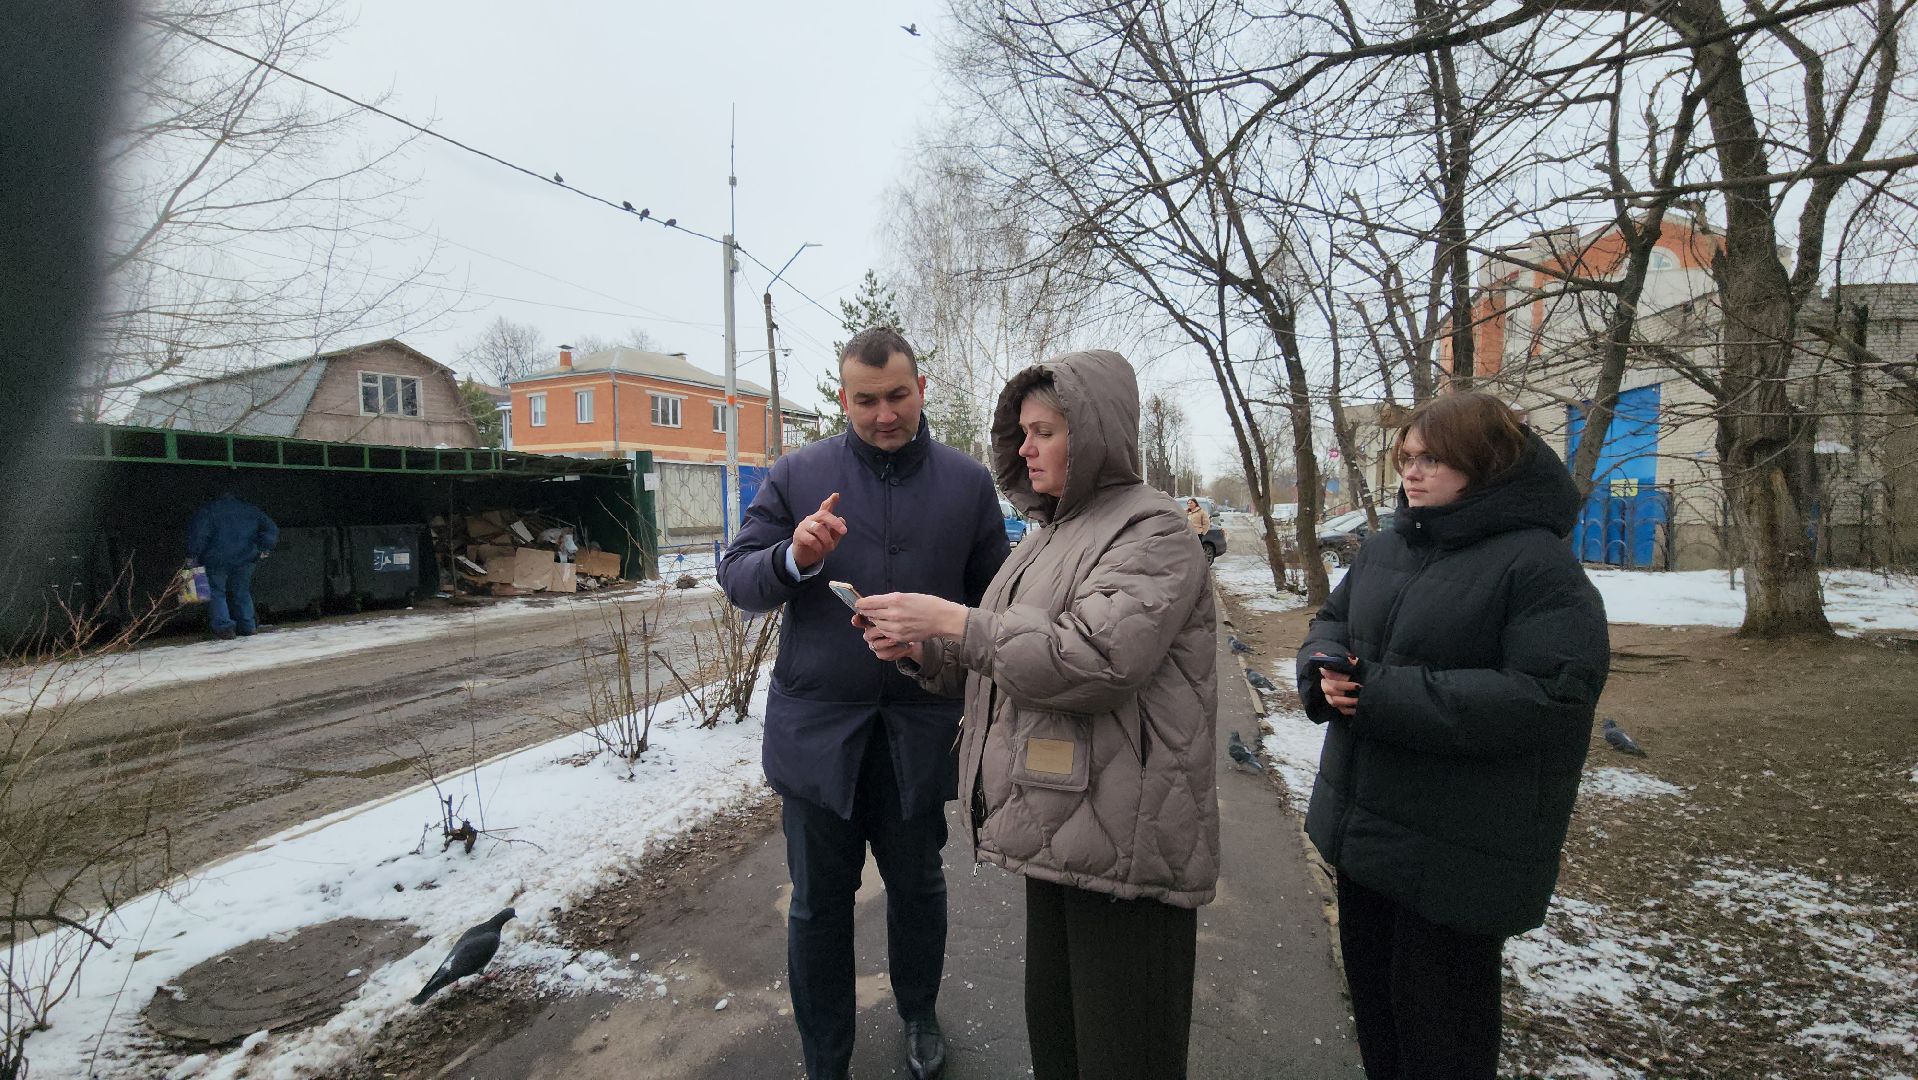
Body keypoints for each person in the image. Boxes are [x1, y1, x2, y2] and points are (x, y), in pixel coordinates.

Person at [855, 350, 1219, 1080]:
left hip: (1131, 842)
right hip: (1067, 826)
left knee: (1122, 1051)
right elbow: (1005, 656)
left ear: (1096, 434)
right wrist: (923, 650)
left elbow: (1095, 659)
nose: (1025, 448)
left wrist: (958, 622)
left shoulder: (1150, 531)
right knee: (1061, 1042)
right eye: (1021, 432)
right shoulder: (1051, 533)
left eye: (1044, 431)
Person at [716, 327, 1008, 1080]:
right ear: (844, 398)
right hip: (820, 738)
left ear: (921, 389)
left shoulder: (966, 483)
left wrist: (945, 650)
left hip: (919, 729)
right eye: (867, 400)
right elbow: (740, 579)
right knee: (818, 904)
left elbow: (994, 608)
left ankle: (918, 1012)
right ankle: (826, 1057)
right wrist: (795, 557)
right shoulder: (798, 473)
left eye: (898, 396)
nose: (884, 414)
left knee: (917, 886)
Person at [1294, 392, 1609, 1079]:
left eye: (1432, 458)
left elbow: (1549, 697)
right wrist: (1320, 667)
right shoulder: (1385, 549)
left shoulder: (1537, 564)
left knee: (1442, 1038)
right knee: (1379, 1021)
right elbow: (1331, 623)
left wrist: (1379, 693)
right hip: (1368, 834)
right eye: (1407, 458)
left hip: (1458, 851)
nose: (1412, 472)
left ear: (1487, 462)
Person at [185, 491, 280, 640]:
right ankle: (247, 626)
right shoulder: (250, 510)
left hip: (216, 560)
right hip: (245, 557)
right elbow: (272, 529)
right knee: (241, 591)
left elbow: (199, 536)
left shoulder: (209, 510)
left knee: (217, 592)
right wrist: (263, 548)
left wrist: (192, 555)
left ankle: (224, 628)